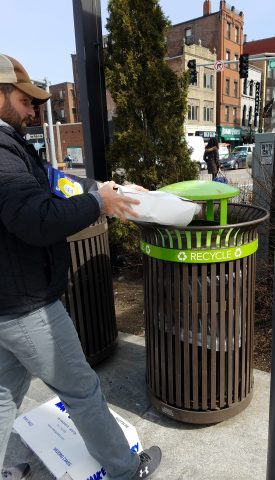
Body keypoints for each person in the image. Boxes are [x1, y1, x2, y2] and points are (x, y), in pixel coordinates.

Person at [0, 54, 162, 480]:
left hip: (6, 304)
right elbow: (36, 219)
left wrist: (112, 190)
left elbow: (53, 181)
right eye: (24, 99)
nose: (34, 109)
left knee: (2, 396)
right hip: (27, 305)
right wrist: (96, 204)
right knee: (83, 392)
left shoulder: (12, 149)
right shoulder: (0, 155)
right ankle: (128, 470)